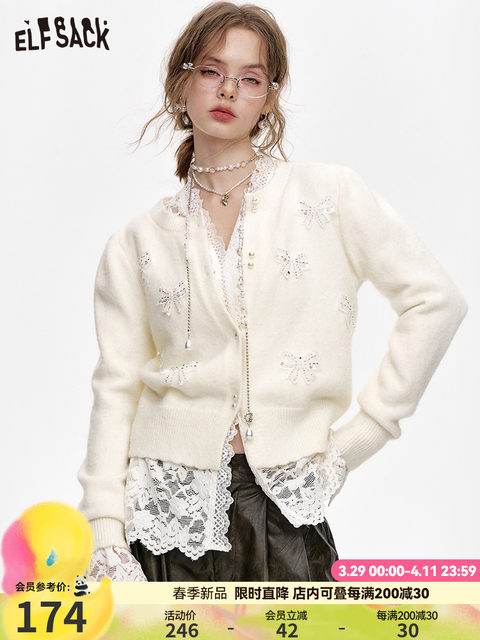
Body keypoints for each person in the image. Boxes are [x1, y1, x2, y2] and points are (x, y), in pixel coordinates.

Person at [77, 1, 468, 582]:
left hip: (287, 506)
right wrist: (105, 529)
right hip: (165, 512)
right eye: (211, 70)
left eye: (250, 78)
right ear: (182, 81)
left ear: (270, 97)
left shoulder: (327, 196)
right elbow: (116, 388)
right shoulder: (136, 242)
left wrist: (363, 435)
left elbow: (436, 300)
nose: (227, 90)